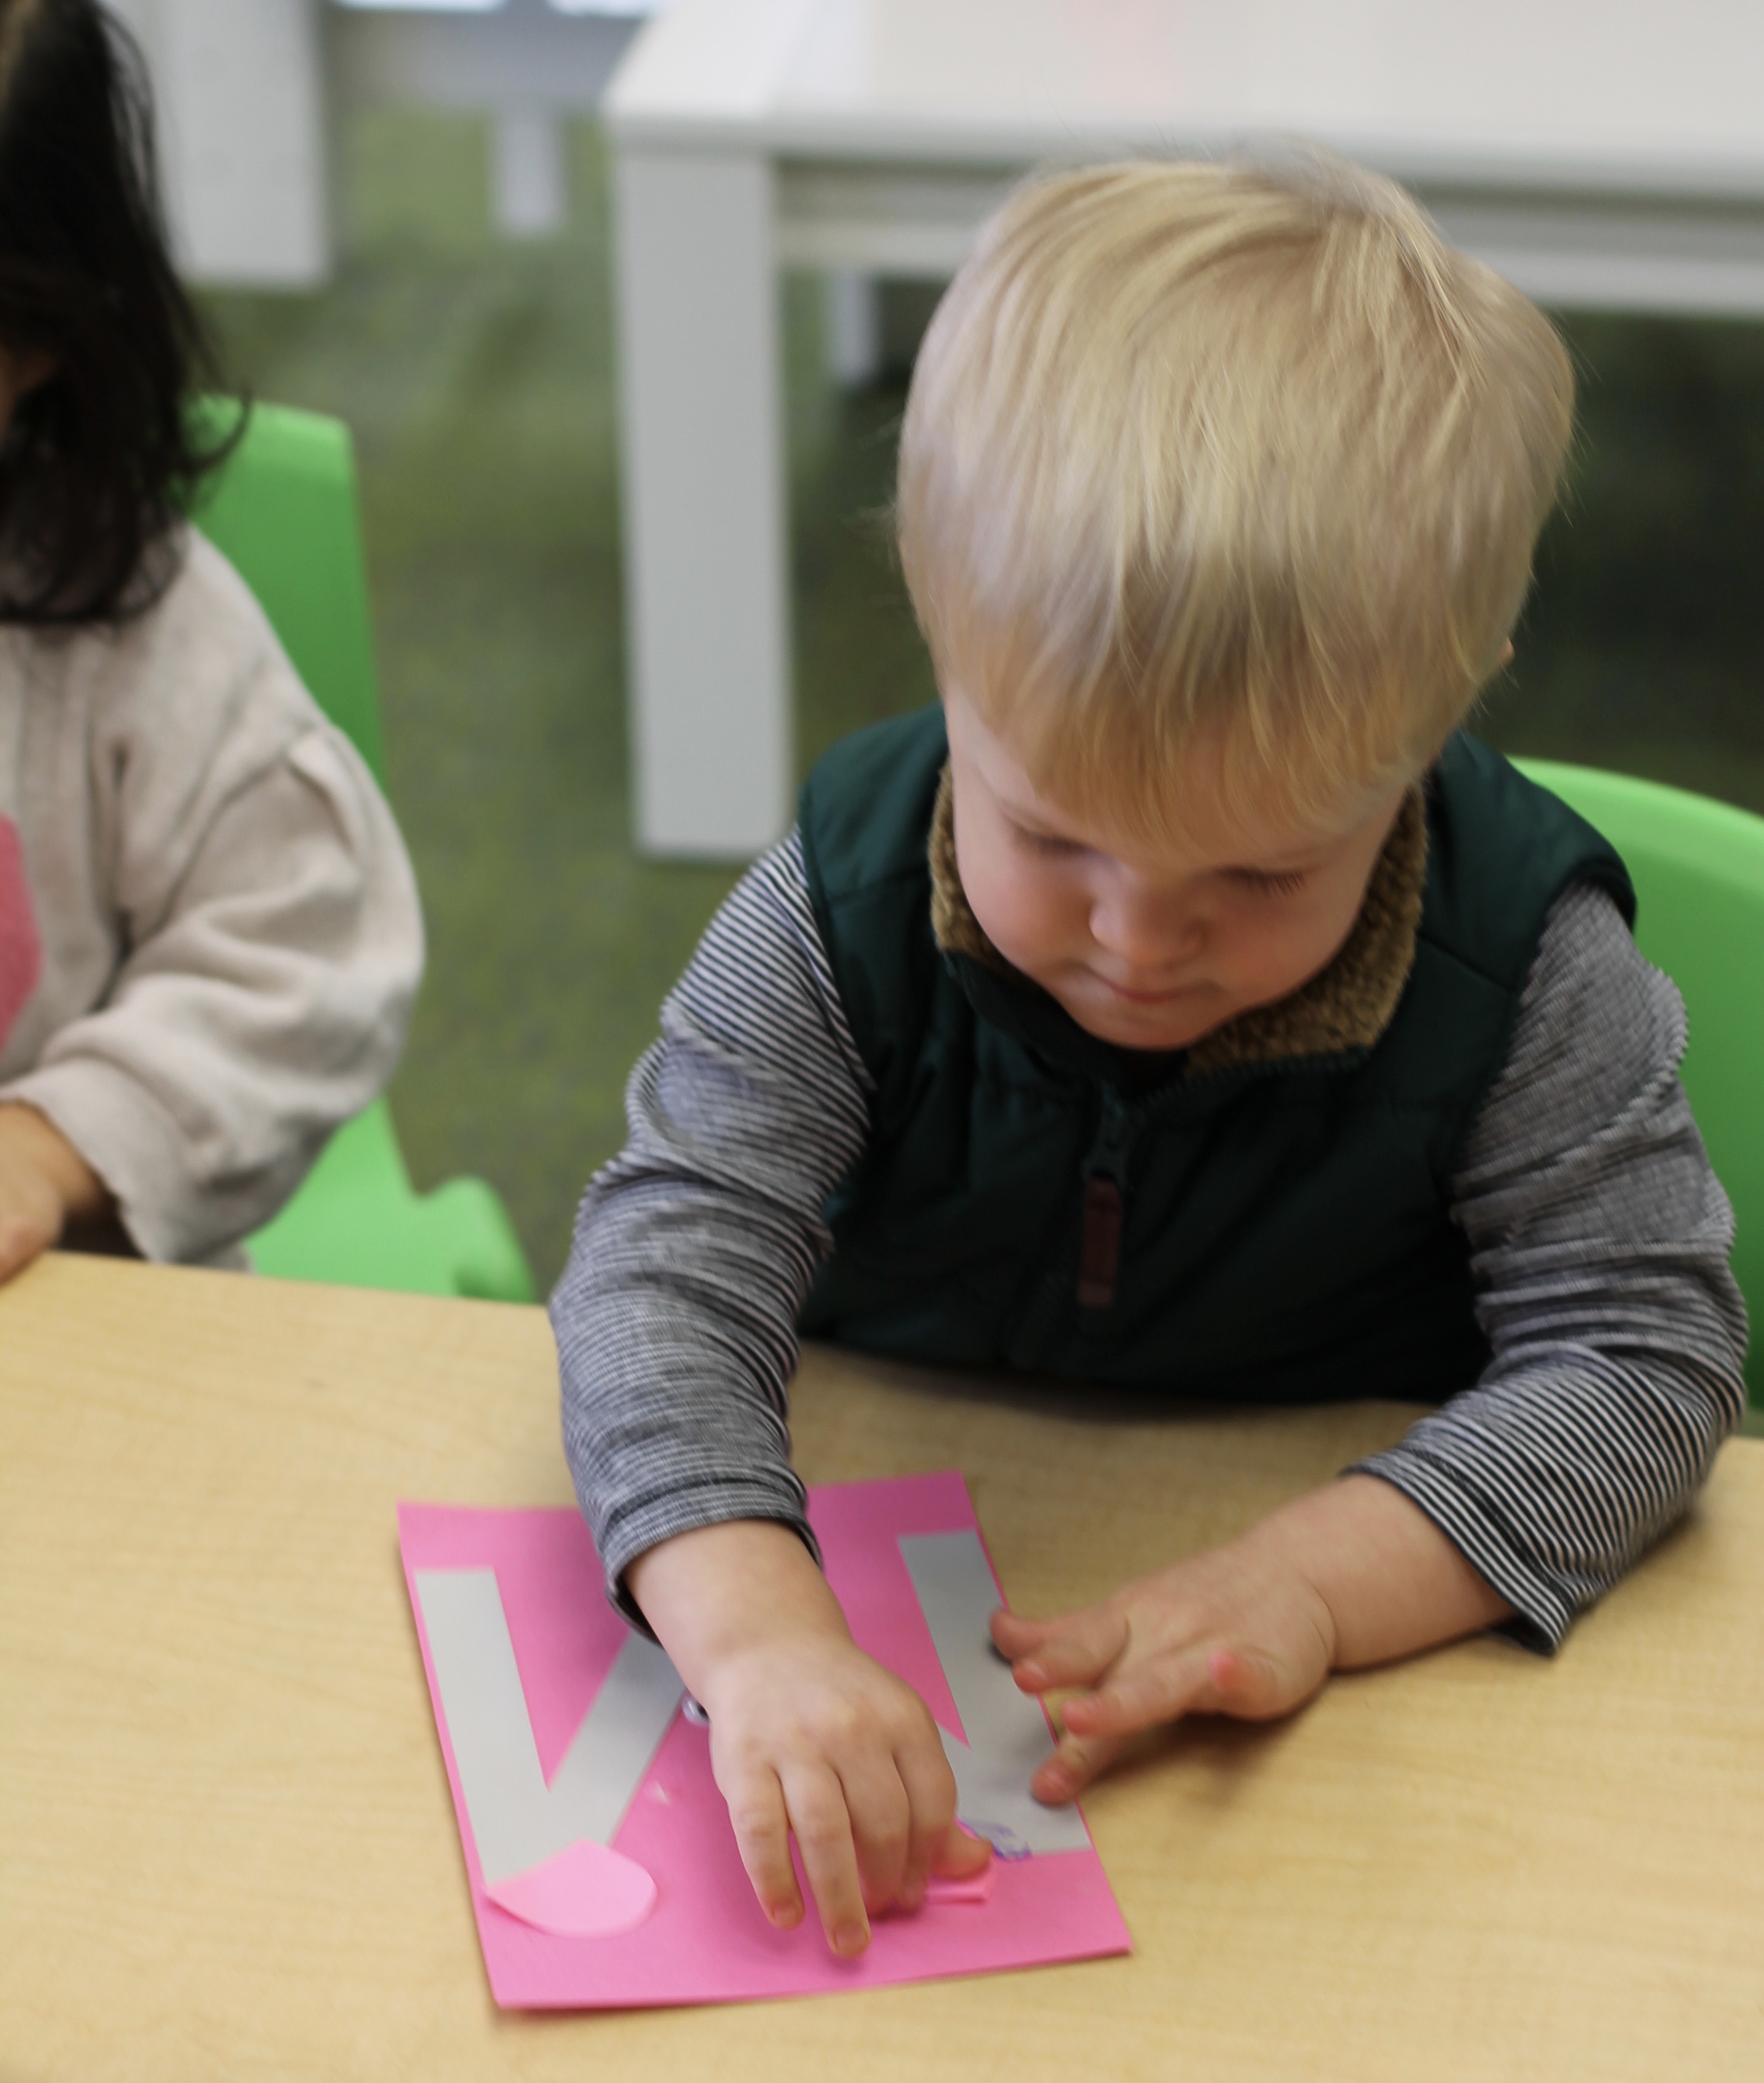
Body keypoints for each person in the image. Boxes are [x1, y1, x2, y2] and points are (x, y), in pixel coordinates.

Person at [553, 157, 1746, 1960]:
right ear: (941, 635)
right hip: (904, 1508)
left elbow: (1645, 1359)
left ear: (1445, 708)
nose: (1134, 937)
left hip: (1355, 1690)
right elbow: (660, 1266)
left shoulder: (1523, 968)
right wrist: (757, 1631)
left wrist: (1308, 1580)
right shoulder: (841, 903)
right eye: (1050, 835)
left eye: (1262, 875)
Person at [0, 0, 422, 1283]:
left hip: (73, 1302)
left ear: (37, 344)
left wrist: (48, 1147)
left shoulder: (131, 621)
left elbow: (302, 959)